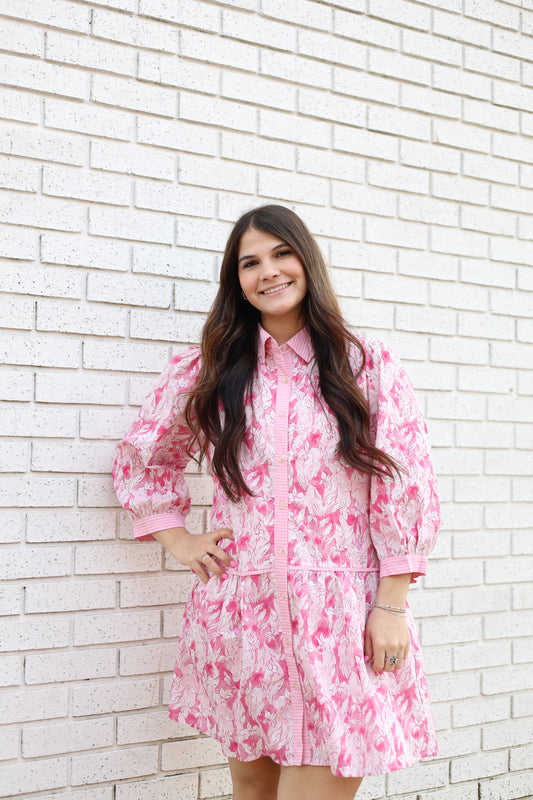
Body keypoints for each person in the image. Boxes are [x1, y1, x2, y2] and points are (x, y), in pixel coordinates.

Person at [112, 204, 440, 800]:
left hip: (340, 623)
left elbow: (406, 482)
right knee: (254, 794)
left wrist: (391, 604)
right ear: (236, 281)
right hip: (243, 622)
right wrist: (179, 539)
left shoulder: (366, 366)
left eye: (281, 253)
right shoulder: (211, 371)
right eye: (250, 262)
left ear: (306, 261)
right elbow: (145, 457)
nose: (268, 271)